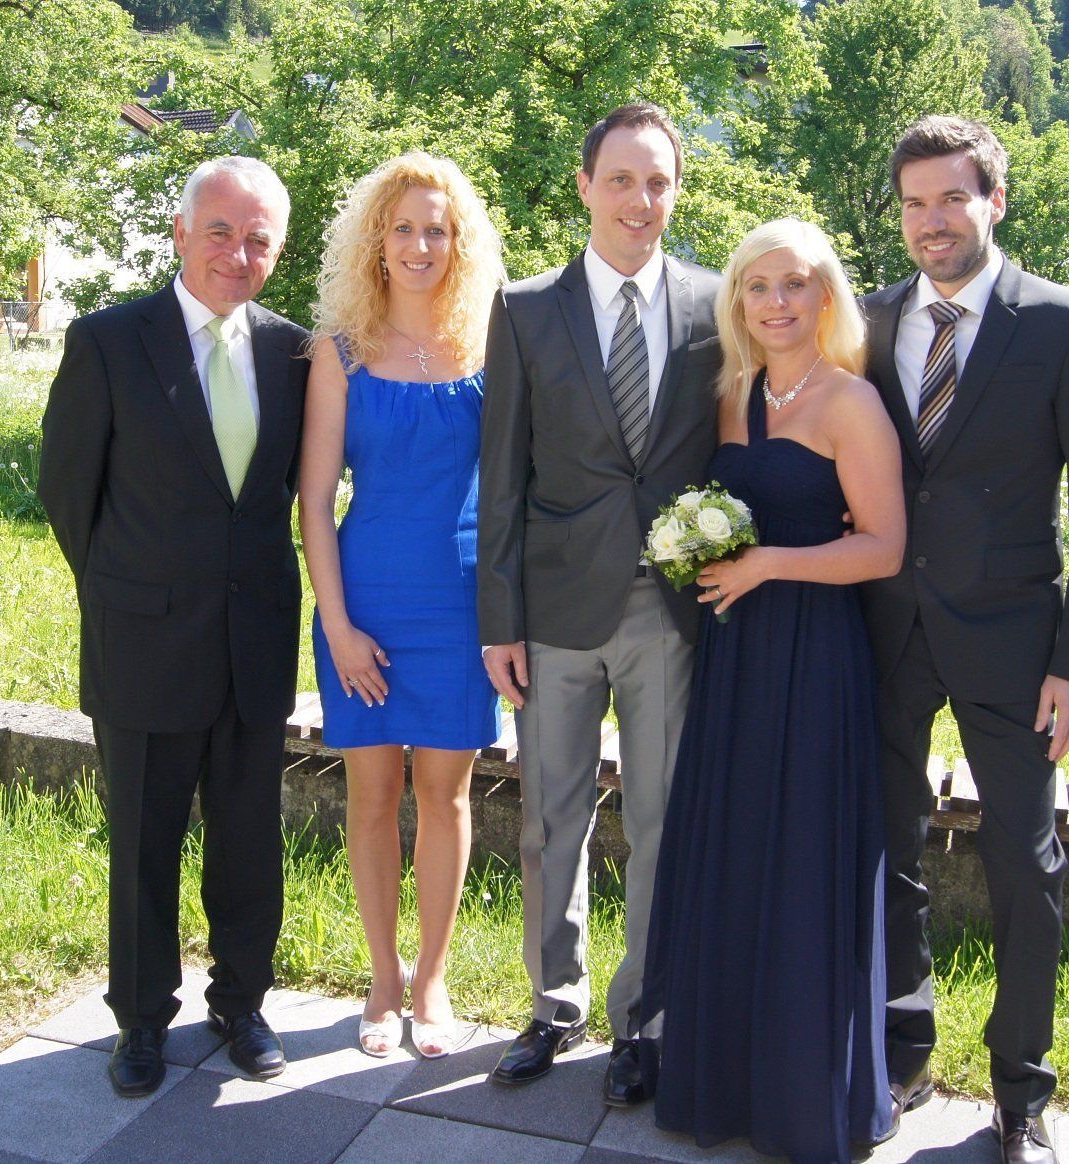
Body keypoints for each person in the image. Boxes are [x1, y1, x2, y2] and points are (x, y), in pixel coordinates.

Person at [861, 116, 1069, 1164]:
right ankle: (901, 1055)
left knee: (1025, 862)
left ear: (993, 202)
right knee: (886, 850)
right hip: (884, 630)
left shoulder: (1065, 324)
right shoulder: (867, 318)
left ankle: (1020, 1092)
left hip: (1017, 646)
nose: (930, 221)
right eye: (913, 203)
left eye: (950, 198)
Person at [38, 156, 309, 1097]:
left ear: (278, 248)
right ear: (182, 234)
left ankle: (241, 1003)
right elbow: (68, 492)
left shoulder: (296, 353)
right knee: (143, 848)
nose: (239, 253)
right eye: (221, 232)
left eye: (259, 238)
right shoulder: (110, 341)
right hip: (143, 641)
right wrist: (129, 594)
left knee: (249, 842)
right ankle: (141, 1019)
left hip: (254, 642)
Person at [640, 218, 903, 1161]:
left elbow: (884, 547)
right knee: (735, 851)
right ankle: (723, 1080)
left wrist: (767, 565)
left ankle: (801, 1096)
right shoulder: (730, 395)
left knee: (799, 859)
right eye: (757, 286)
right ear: (737, 301)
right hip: (736, 657)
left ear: (825, 295)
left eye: (795, 284)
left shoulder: (850, 402)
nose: (777, 302)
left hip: (813, 656)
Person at [477, 103, 723, 1104]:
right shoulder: (523, 309)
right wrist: (498, 620)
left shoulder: (716, 306)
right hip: (552, 614)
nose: (639, 199)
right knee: (550, 822)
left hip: (668, 612)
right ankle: (553, 1004)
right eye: (620, 178)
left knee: (661, 822)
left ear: (676, 191)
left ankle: (644, 1020)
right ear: (585, 186)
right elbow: (501, 476)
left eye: (657, 181)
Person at [300, 153, 505, 1060]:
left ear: (459, 243)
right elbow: (313, 503)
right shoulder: (339, 351)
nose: (420, 245)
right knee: (373, 796)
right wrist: (338, 625)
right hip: (366, 604)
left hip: (462, 607)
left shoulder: (491, 348)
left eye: (437, 229)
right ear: (375, 242)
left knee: (446, 796)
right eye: (403, 228)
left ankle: (432, 981)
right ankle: (382, 980)